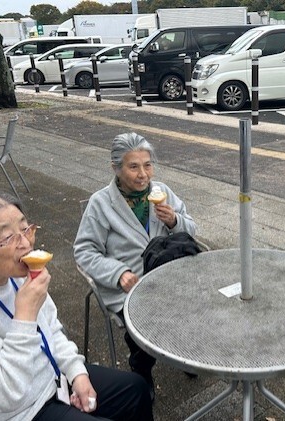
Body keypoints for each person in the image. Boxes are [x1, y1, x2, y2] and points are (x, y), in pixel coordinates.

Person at [0, 190, 153, 421]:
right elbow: (3, 395)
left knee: (135, 389)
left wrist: (76, 372)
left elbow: (50, 327)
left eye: (26, 228)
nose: (26, 244)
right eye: (8, 237)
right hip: (9, 413)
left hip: (46, 378)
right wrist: (25, 315)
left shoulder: (12, 273)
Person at [73, 132, 197, 397]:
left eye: (147, 165)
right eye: (133, 166)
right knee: (145, 322)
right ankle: (141, 367)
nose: (143, 174)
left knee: (195, 309)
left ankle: (186, 352)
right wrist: (119, 274)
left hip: (168, 275)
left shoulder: (162, 192)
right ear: (116, 168)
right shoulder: (101, 204)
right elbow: (84, 251)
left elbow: (191, 229)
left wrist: (174, 220)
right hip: (131, 285)